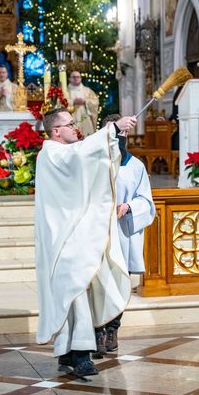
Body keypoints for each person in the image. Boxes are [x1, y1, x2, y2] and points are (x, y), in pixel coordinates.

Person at [35, 108, 137, 377]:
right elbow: (80, 155)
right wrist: (112, 129)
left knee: (78, 292)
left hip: (77, 234)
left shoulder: (71, 152)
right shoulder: (51, 153)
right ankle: (80, 355)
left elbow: (95, 162)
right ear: (56, 131)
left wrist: (116, 139)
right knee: (74, 292)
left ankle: (70, 353)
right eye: (70, 124)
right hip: (62, 238)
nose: (75, 127)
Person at [93, 114, 155, 358]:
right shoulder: (95, 162)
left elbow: (146, 201)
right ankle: (97, 331)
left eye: (122, 132)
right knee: (99, 284)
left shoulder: (136, 166)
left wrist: (129, 206)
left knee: (119, 283)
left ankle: (113, 330)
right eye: (114, 131)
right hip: (99, 232)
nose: (119, 136)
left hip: (123, 232)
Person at [67, 71, 99, 137]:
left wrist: (85, 101)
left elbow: (95, 102)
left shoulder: (87, 90)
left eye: (78, 77)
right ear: (69, 79)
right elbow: (60, 104)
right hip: (71, 117)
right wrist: (73, 102)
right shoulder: (65, 91)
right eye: (74, 77)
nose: (76, 78)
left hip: (85, 117)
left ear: (81, 78)